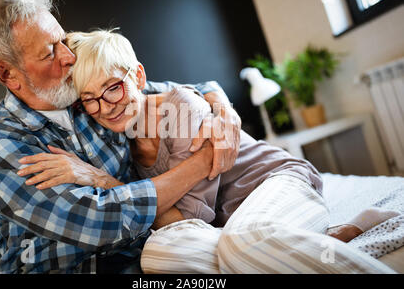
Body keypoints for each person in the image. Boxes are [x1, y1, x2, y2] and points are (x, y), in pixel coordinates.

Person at [20, 29, 398, 274]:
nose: (106, 107)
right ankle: (325, 239)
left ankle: (329, 241)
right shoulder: (123, 142)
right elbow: (177, 234)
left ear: (137, 77)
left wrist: (102, 180)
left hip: (276, 185)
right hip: (232, 223)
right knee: (157, 258)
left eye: (113, 88)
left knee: (242, 242)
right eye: (90, 99)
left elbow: (183, 221)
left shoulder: (180, 108)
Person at [0, 0, 242, 274]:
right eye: (49, 53)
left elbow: (182, 89)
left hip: (143, 260)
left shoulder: (87, 91)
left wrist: (225, 111)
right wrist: (205, 161)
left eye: (63, 41)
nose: (69, 58)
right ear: (8, 74)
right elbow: (98, 223)